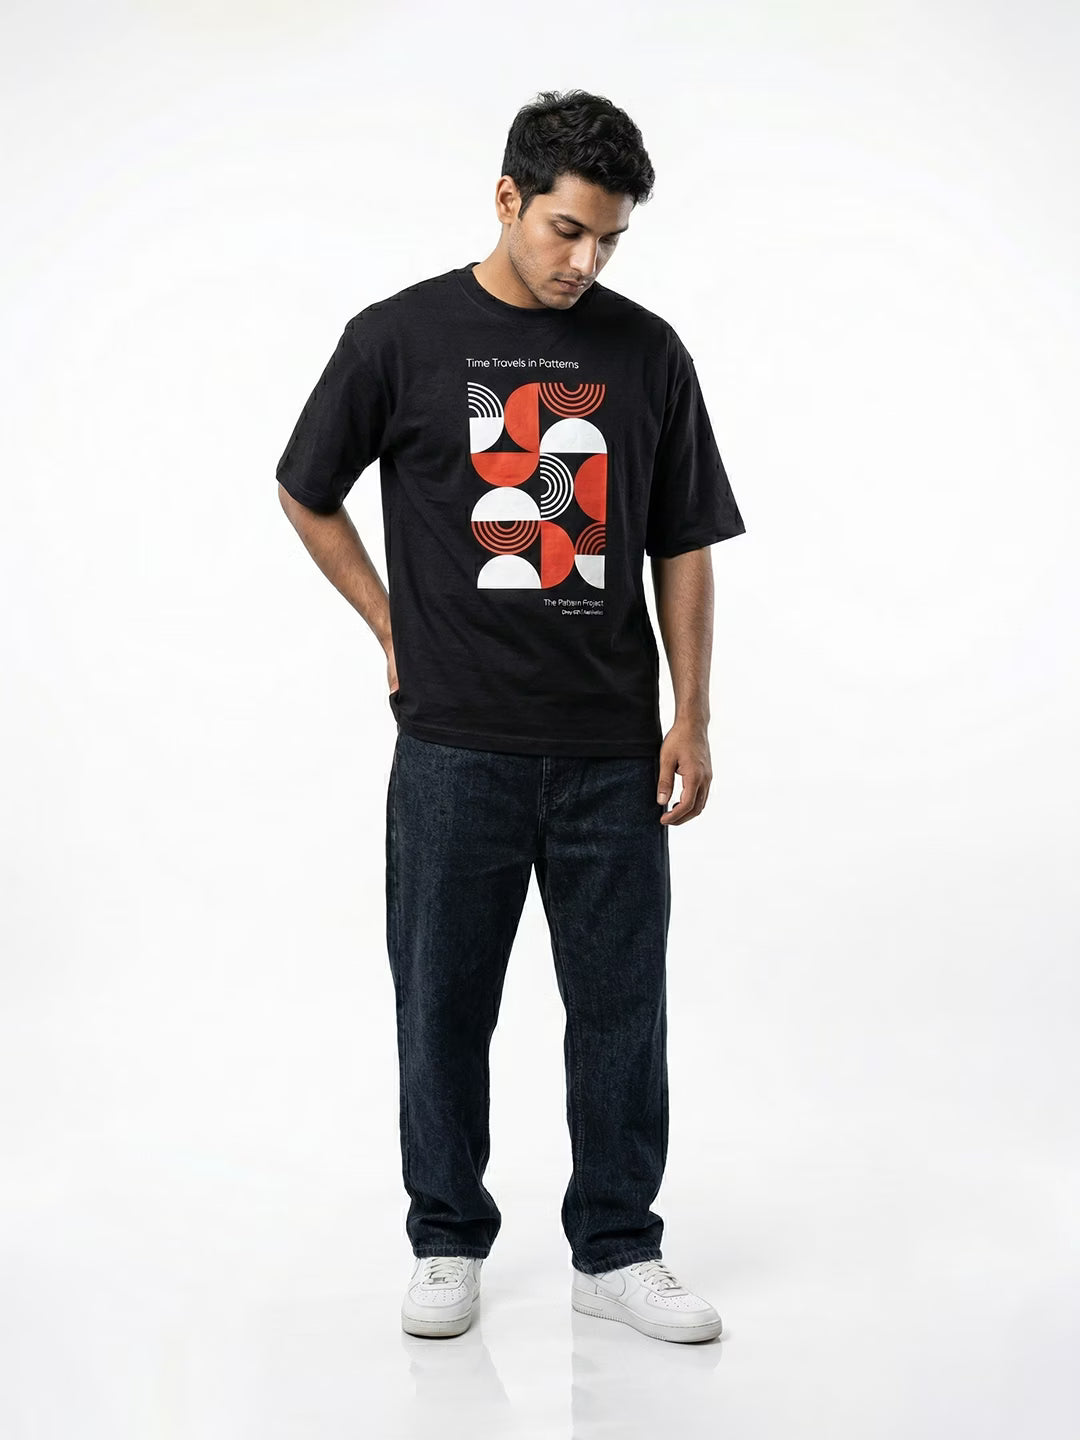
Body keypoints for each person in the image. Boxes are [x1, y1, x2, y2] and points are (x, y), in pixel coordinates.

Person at [275, 88, 746, 1345]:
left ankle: (617, 1249)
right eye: (566, 230)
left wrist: (693, 714)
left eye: (610, 241)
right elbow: (306, 487)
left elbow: (685, 540)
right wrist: (388, 622)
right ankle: (445, 1239)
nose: (585, 263)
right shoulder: (397, 338)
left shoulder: (648, 353)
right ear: (506, 198)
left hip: (610, 752)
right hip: (453, 747)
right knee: (441, 1006)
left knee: (622, 1012)